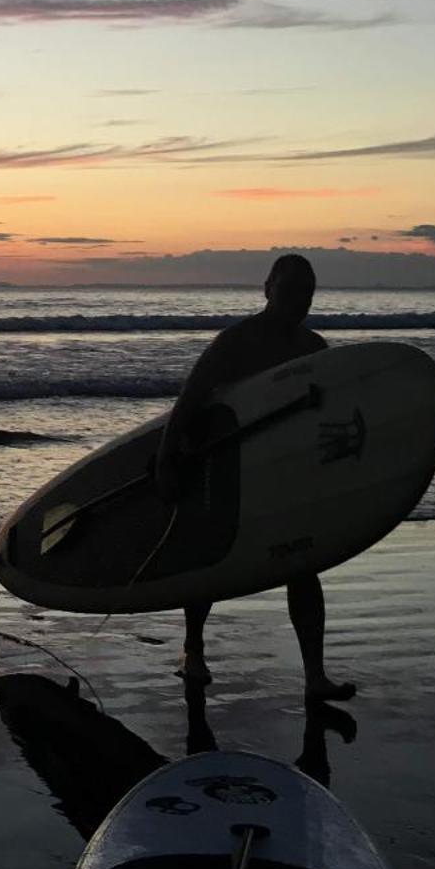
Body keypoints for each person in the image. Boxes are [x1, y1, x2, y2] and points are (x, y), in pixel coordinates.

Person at [154, 253, 354, 702]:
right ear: (267, 289)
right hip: (233, 471)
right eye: (289, 291)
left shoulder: (314, 349)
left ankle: (315, 677)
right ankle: (193, 649)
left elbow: (328, 419)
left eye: (307, 292)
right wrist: (166, 462)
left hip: (288, 473)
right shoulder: (235, 343)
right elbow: (188, 402)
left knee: (304, 565)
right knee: (209, 560)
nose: (298, 301)